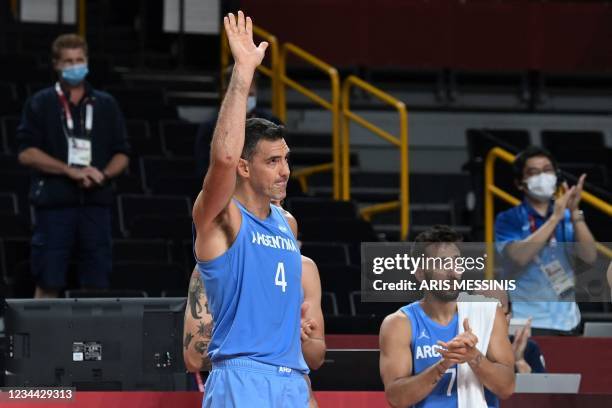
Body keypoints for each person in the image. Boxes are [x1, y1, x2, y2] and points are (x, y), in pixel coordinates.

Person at [191, 11, 322, 407]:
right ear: (245, 168)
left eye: (286, 160)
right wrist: (243, 72)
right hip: (242, 378)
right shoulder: (222, 219)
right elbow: (223, 159)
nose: (285, 171)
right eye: (272, 161)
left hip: (292, 380)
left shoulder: (288, 223)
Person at [16, 33, 130, 298]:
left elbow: (122, 153)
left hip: (95, 205)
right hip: (55, 205)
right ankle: (41, 339)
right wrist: (70, 171)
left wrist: (102, 174)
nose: (75, 66)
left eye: (79, 60)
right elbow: (26, 153)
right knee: (48, 280)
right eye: (68, 61)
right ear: (56, 64)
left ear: (87, 61)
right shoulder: (41, 103)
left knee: (97, 284)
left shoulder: (105, 104)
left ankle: (94, 339)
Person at [379, 225, 514, 408]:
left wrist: (474, 357)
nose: (453, 273)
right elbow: (396, 398)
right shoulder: (399, 324)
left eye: (457, 262)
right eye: (442, 263)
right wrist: (445, 363)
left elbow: (507, 387)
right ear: (420, 273)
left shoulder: (488, 313)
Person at [494, 146, 597, 335]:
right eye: (534, 172)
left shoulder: (568, 217)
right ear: (520, 183)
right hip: (527, 324)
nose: (543, 176)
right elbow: (518, 257)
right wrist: (554, 218)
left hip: (570, 323)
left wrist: (574, 213)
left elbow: (590, 257)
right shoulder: (509, 219)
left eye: (547, 170)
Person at [194, 65, 282, 178]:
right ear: (226, 93)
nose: (246, 100)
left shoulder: (272, 124)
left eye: (251, 95)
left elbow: (283, 168)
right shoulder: (210, 129)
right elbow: (203, 172)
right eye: (243, 94)